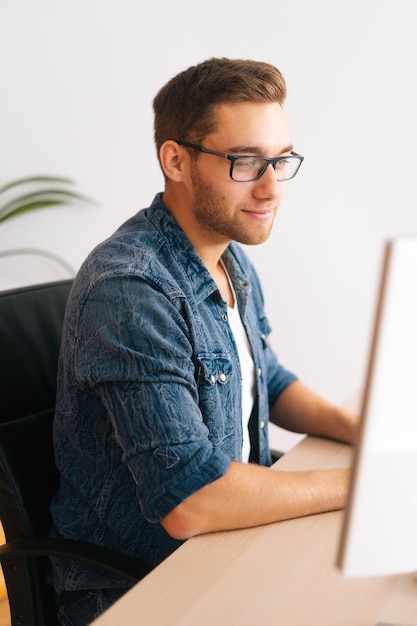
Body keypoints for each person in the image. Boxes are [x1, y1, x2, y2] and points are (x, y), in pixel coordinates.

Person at [50, 57, 358, 625]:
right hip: (142, 585)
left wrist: (368, 435)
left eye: (281, 159)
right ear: (176, 160)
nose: (271, 187)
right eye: (246, 162)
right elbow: (189, 501)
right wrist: (363, 486)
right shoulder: (132, 287)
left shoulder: (226, 253)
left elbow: (267, 374)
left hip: (229, 547)